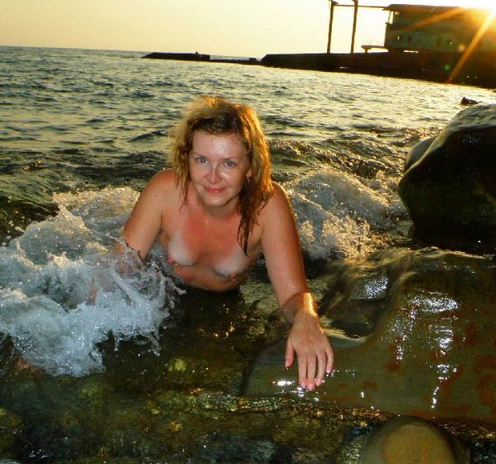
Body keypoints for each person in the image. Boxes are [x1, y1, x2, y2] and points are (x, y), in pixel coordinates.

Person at [118, 95, 334, 391]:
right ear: (187, 158)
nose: (212, 177)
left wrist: (307, 318)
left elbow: (292, 295)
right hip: (164, 290)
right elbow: (115, 273)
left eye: (229, 163)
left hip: (224, 305)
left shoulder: (267, 206)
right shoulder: (165, 190)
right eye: (202, 160)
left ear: (250, 168)